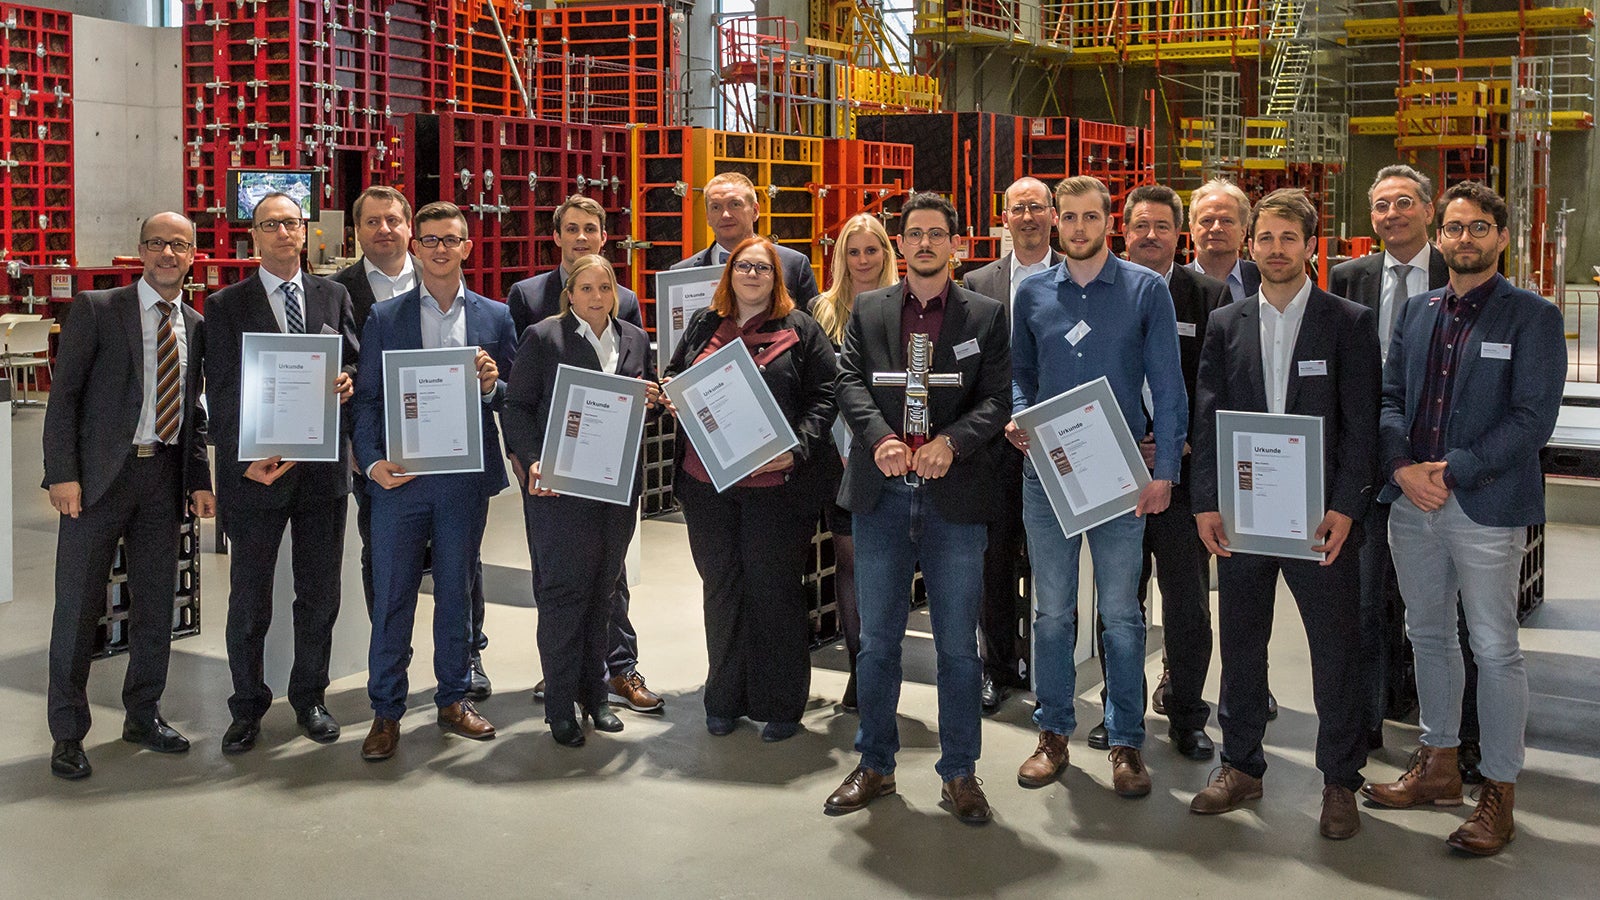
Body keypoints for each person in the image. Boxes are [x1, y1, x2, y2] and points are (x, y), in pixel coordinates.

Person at [1361, 181, 1565, 857]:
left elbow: (1533, 420)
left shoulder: (1530, 317)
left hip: (1483, 506)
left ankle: (1499, 790)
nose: (1465, 238)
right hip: (1412, 506)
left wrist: (1452, 471)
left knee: (1495, 647)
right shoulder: (1416, 313)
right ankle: (1438, 763)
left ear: (1501, 238)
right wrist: (1400, 469)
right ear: (1439, 236)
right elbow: (1389, 400)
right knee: (1427, 635)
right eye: (1454, 228)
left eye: (1480, 228)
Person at [1188, 187, 1379, 840]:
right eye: (1264, 238)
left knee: (1334, 650)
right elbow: (1207, 416)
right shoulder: (1226, 321)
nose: (1274, 250)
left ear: (1308, 245)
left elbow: (1360, 428)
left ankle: (1338, 781)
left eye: (1287, 238)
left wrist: (1345, 508)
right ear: (1251, 244)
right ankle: (1240, 764)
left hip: (1318, 520)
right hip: (1244, 515)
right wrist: (1207, 501)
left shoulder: (1346, 322)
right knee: (1242, 645)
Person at [825, 192, 1011, 825]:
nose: (925, 243)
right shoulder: (871, 310)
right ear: (899, 245)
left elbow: (999, 399)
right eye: (915, 234)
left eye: (938, 234)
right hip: (880, 497)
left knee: (958, 648)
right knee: (877, 643)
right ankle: (875, 764)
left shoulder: (986, 315)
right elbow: (848, 380)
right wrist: (879, 438)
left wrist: (950, 445)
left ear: (956, 245)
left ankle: (960, 772)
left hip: (954, 500)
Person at [1009, 176, 1186, 799]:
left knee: (1120, 613)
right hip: (1047, 476)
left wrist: (1164, 471)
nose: (1079, 228)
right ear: (1055, 222)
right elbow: (1021, 378)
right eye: (1069, 218)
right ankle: (1053, 730)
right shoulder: (1031, 294)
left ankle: (1125, 742)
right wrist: (1017, 415)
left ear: (1109, 222)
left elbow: (1168, 387)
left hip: (1121, 479)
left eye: (1091, 217)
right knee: (1052, 611)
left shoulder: (1144, 292)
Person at [42, 212, 217, 779]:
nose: (169, 253)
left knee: (154, 605)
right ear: (140, 251)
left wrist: (198, 481)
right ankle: (68, 733)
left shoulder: (196, 322)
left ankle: (143, 712)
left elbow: (191, 413)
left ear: (195, 254)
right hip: (97, 481)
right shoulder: (98, 309)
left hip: (161, 479)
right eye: (158, 243)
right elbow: (63, 397)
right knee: (78, 606)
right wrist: (61, 474)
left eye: (180, 245)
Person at [351, 201, 518, 761]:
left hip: (463, 482)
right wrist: (372, 463)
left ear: (468, 247)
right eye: (430, 239)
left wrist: (494, 386)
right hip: (401, 481)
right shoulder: (385, 318)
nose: (441, 248)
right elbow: (369, 400)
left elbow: (514, 398)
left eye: (452, 239)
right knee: (394, 594)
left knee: (455, 592)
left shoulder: (494, 317)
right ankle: (386, 711)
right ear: (416, 248)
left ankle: (453, 699)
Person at [663, 237, 838, 742]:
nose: (753, 274)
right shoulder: (704, 323)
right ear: (730, 273)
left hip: (776, 487)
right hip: (707, 485)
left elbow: (825, 396)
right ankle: (724, 698)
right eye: (744, 266)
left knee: (774, 590)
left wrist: (798, 448)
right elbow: (676, 373)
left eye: (763, 267)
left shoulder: (801, 328)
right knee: (721, 588)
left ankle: (780, 705)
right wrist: (674, 395)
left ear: (776, 276)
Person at [203, 191, 360, 754]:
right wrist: (246, 460)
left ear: (305, 232)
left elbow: (354, 361)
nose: (282, 233)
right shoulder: (225, 305)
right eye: (269, 224)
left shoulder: (332, 294)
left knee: (318, 594)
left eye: (291, 223)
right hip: (256, 476)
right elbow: (218, 393)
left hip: (321, 475)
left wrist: (348, 378)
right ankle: (247, 706)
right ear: (254, 237)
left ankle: (309, 698)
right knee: (249, 597)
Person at [1328, 166, 1471, 762]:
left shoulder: (1462, 270)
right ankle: (1365, 728)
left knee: (1449, 611)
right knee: (1362, 605)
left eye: (1404, 202)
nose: (1392, 214)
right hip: (1369, 460)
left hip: (1439, 465)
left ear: (1429, 209)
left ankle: (1461, 740)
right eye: (1381, 205)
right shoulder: (1347, 277)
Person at [506, 194, 662, 714]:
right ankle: (559, 702)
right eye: (586, 287)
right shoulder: (542, 333)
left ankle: (597, 694)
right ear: (568, 293)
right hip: (560, 483)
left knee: (605, 590)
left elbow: (638, 407)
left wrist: (655, 402)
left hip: (615, 485)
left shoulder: (635, 338)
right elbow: (519, 405)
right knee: (561, 592)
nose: (596, 295)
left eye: (605, 287)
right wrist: (531, 461)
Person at [1121, 184, 1228, 760]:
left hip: (1183, 480)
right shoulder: (1106, 293)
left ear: (1177, 234)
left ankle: (1187, 715)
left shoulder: (1208, 297)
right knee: (1122, 602)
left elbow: (1219, 387)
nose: (1151, 236)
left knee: (1187, 604)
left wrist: (1185, 441)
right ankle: (1122, 715)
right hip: (1117, 475)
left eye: (1162, 226)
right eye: (1141, 225)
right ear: (1126, 231)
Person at [959, 176, 1061, 715]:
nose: (1027, 217)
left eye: (1037, 208)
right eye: (1017, 208)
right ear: (1004, 216)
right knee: (992, 564)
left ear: (1053, 216)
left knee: (1056, 569)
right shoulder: (976, 282)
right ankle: (995, 670)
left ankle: (1053, 677)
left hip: (1058, 444)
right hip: (994, 451)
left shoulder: (1074, 278)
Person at [809, 212, 898, 711]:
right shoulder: (821, 311)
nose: (863, 260)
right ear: (841, 256)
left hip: (890, 456)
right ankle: (859, 669)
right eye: (853, 251)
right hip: (838, 460)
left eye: (872, 250)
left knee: (885, 565)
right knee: (849, 562)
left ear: (887, 253)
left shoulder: (906, 305)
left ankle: (883, 665)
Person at [331, 185, 416, 624]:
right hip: (371, 447)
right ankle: (387, 649)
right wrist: (351, 445)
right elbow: (336, 372)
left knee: (457, 553)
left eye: (393, 220)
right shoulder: (334, 291)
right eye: (372, 221)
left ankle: (468, 653)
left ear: (409, 226)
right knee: (380, 550)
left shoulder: (440, 277)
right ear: (357, 231)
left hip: (437, 439)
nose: (384, 229)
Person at [672, 171, 819, 310]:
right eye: (716, 207)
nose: (725, 215)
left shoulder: (794, 265)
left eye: (735, 204)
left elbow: (812, 331)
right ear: (708, 217)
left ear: (755, 211)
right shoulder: (681, 273)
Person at [1188, 178, 1261, 303]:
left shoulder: (1262, 279)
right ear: (1192, 229)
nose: (1216, 228)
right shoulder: (1171, 283)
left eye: (1226, 221)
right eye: (1207, 220)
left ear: (1243, 231)